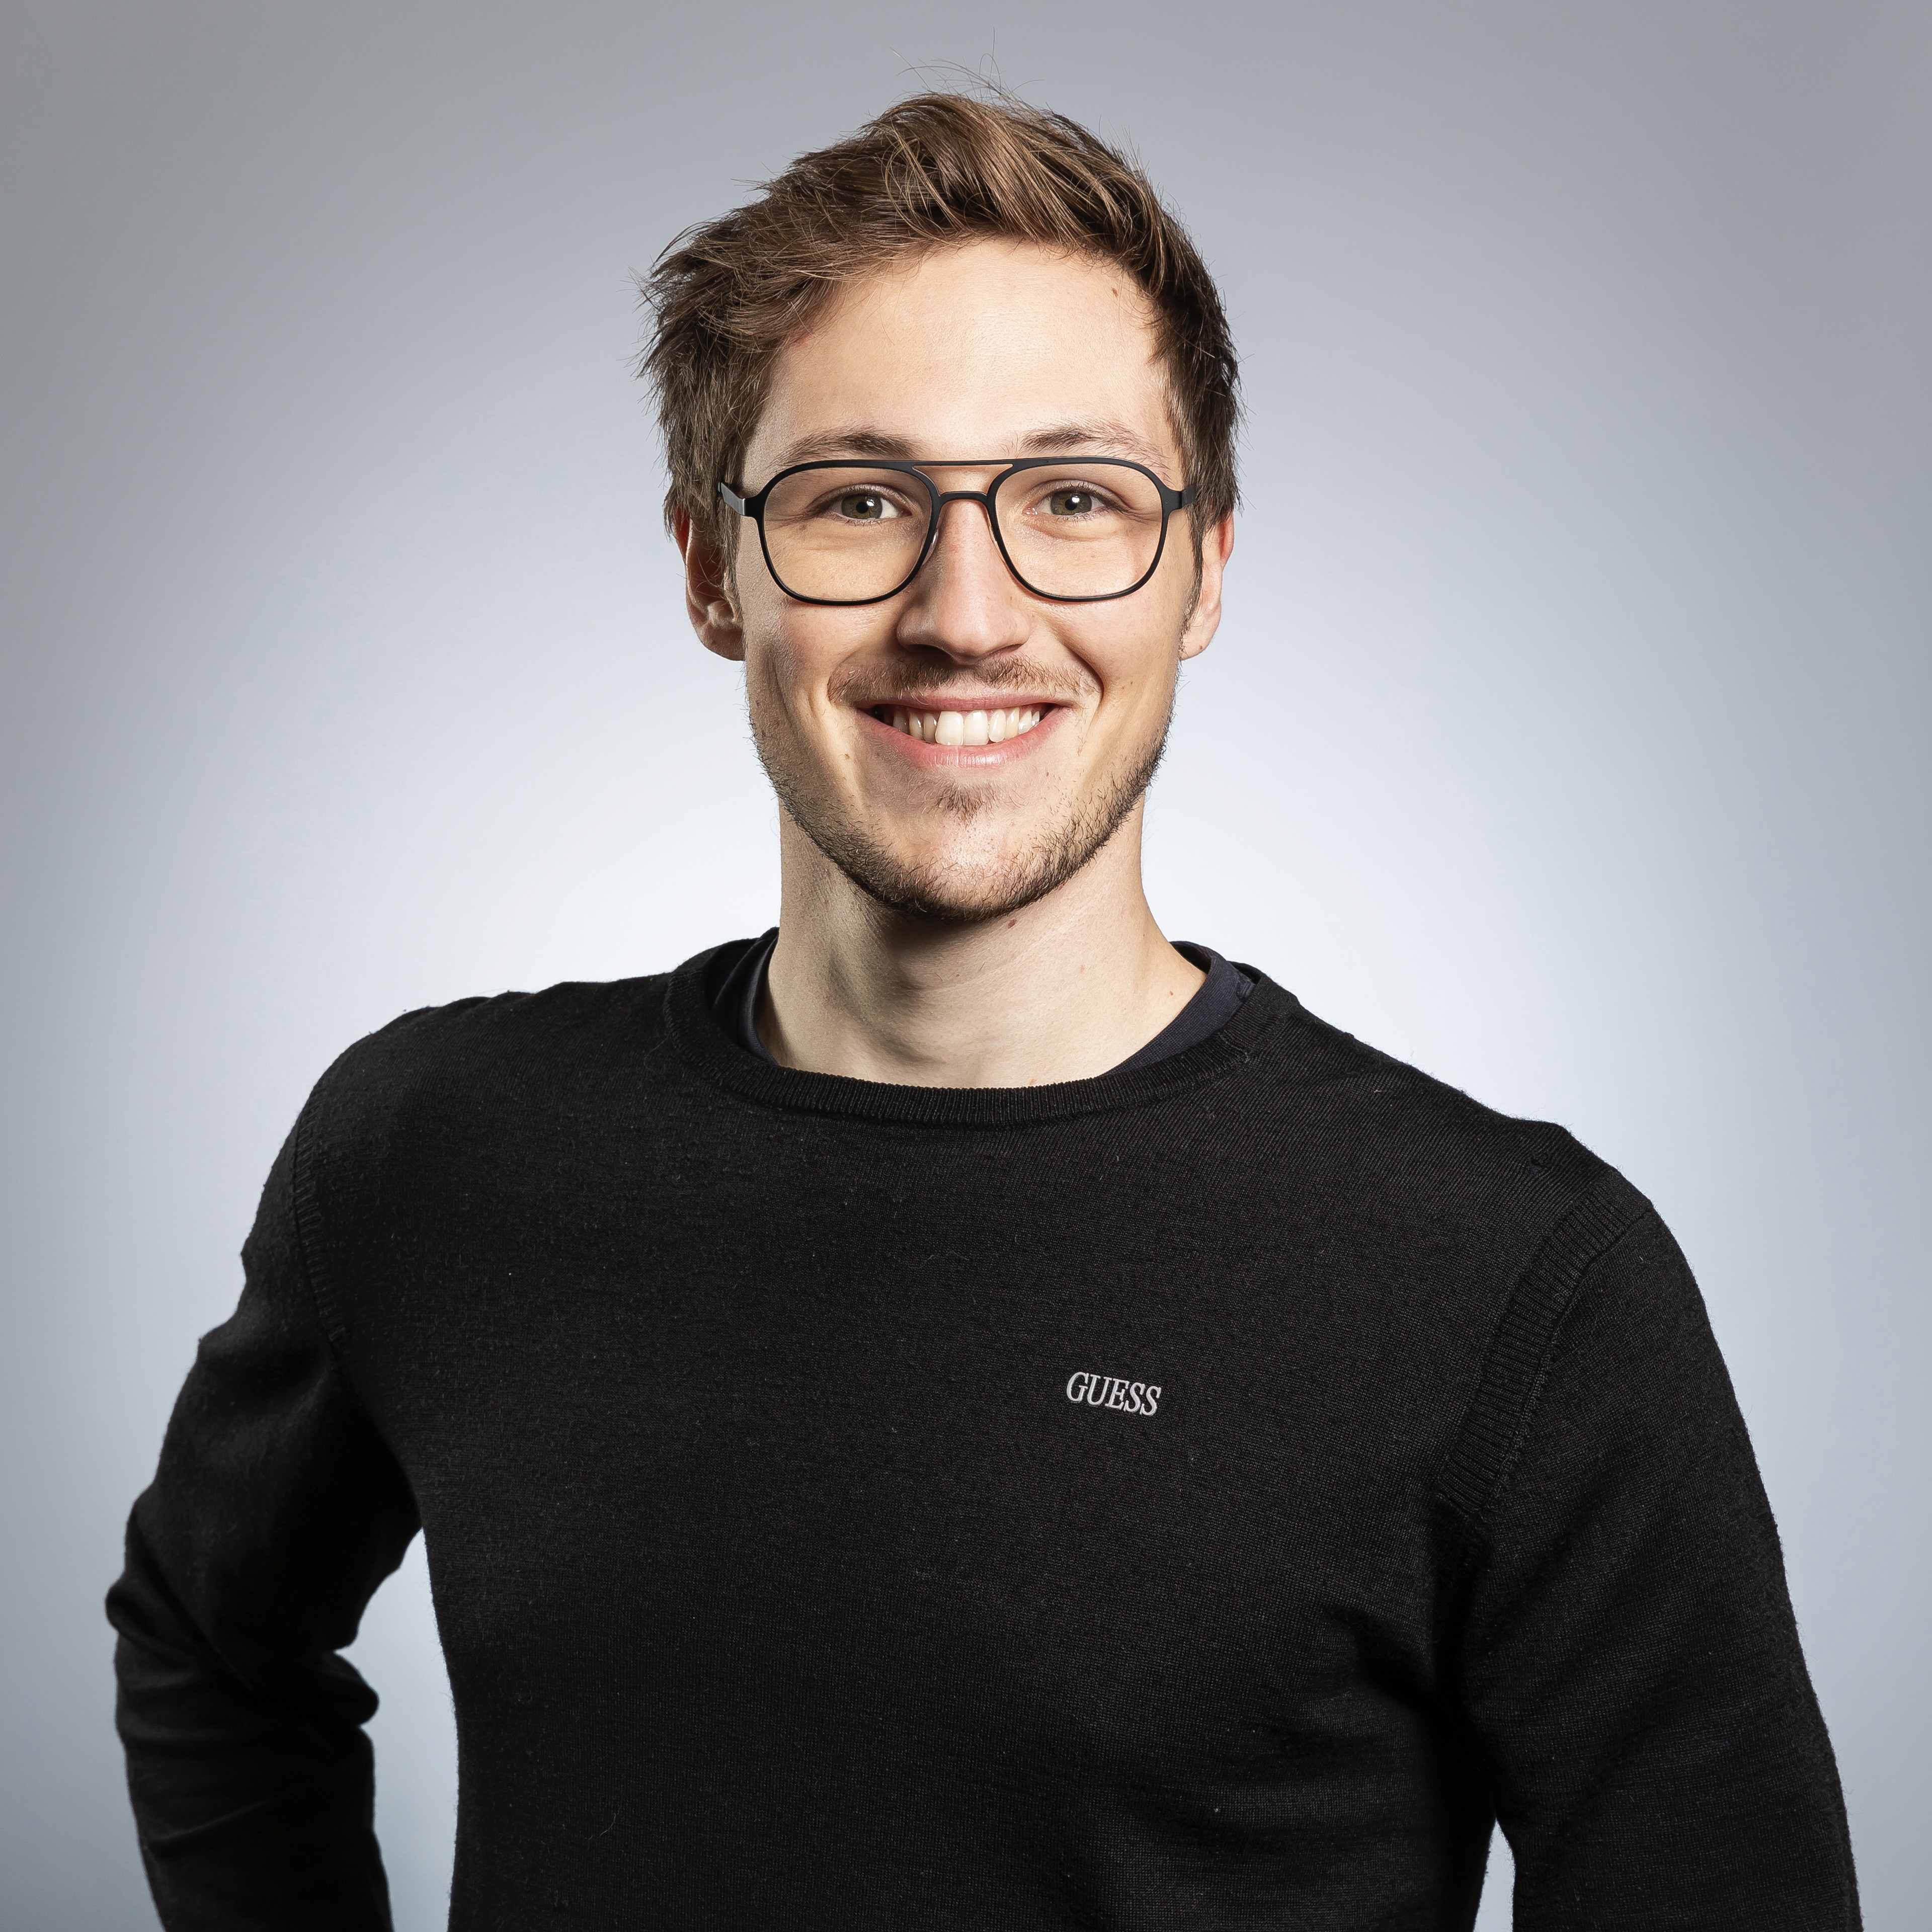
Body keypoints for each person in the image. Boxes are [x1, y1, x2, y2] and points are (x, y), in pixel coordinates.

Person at [108, 91, 1860, 1929]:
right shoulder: (434, 1150)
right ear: (712, 572)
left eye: (1076, 500)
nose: (967, 613)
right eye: (859, 501)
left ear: (1203, 570)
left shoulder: (1516, 1280)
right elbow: (212, 1644)